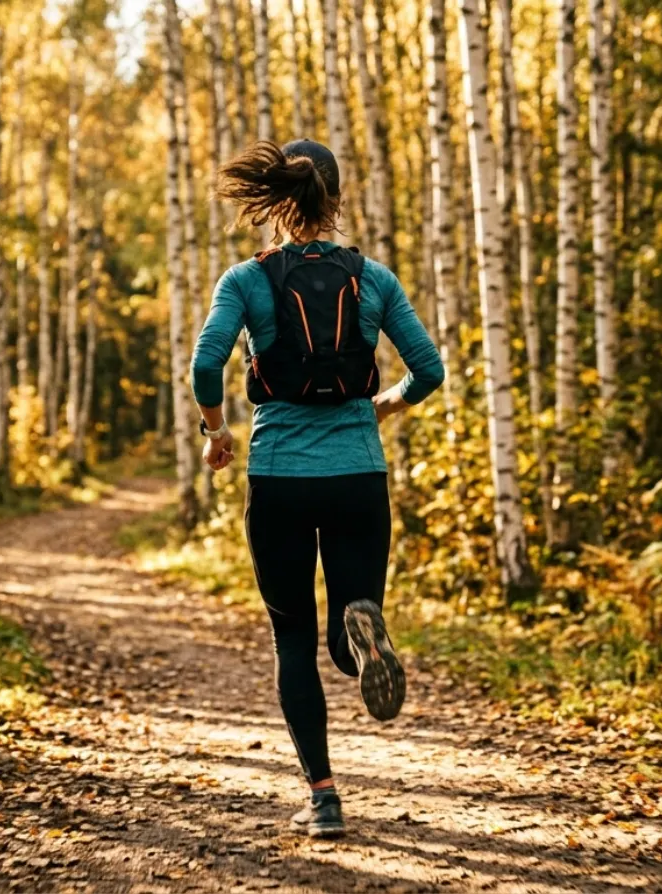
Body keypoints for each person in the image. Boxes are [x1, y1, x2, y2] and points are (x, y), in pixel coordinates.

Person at [189, 138, 445, 839]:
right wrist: (384, 404)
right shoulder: (374, 278)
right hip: (359, 474)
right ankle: (361, 631)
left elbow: (206, 365)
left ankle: (324, 798)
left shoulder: (245, 280)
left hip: (280, 480)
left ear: (275, 200)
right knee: (345, 629)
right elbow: (428, 368)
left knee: (293, 640)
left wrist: (216, 431)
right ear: (334, 199)